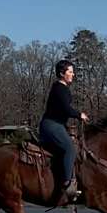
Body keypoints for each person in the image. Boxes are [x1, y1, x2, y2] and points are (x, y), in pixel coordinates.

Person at [39, 60, 89, 204]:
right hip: (51, 125)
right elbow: (65, 109)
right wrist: (80, 115)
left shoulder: (62, 88)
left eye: (73, 72)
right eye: (70, 72)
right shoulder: (60, 89)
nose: (73, 75)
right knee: (70, 149)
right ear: (62, 73)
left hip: (58, 124)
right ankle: (67, 184)